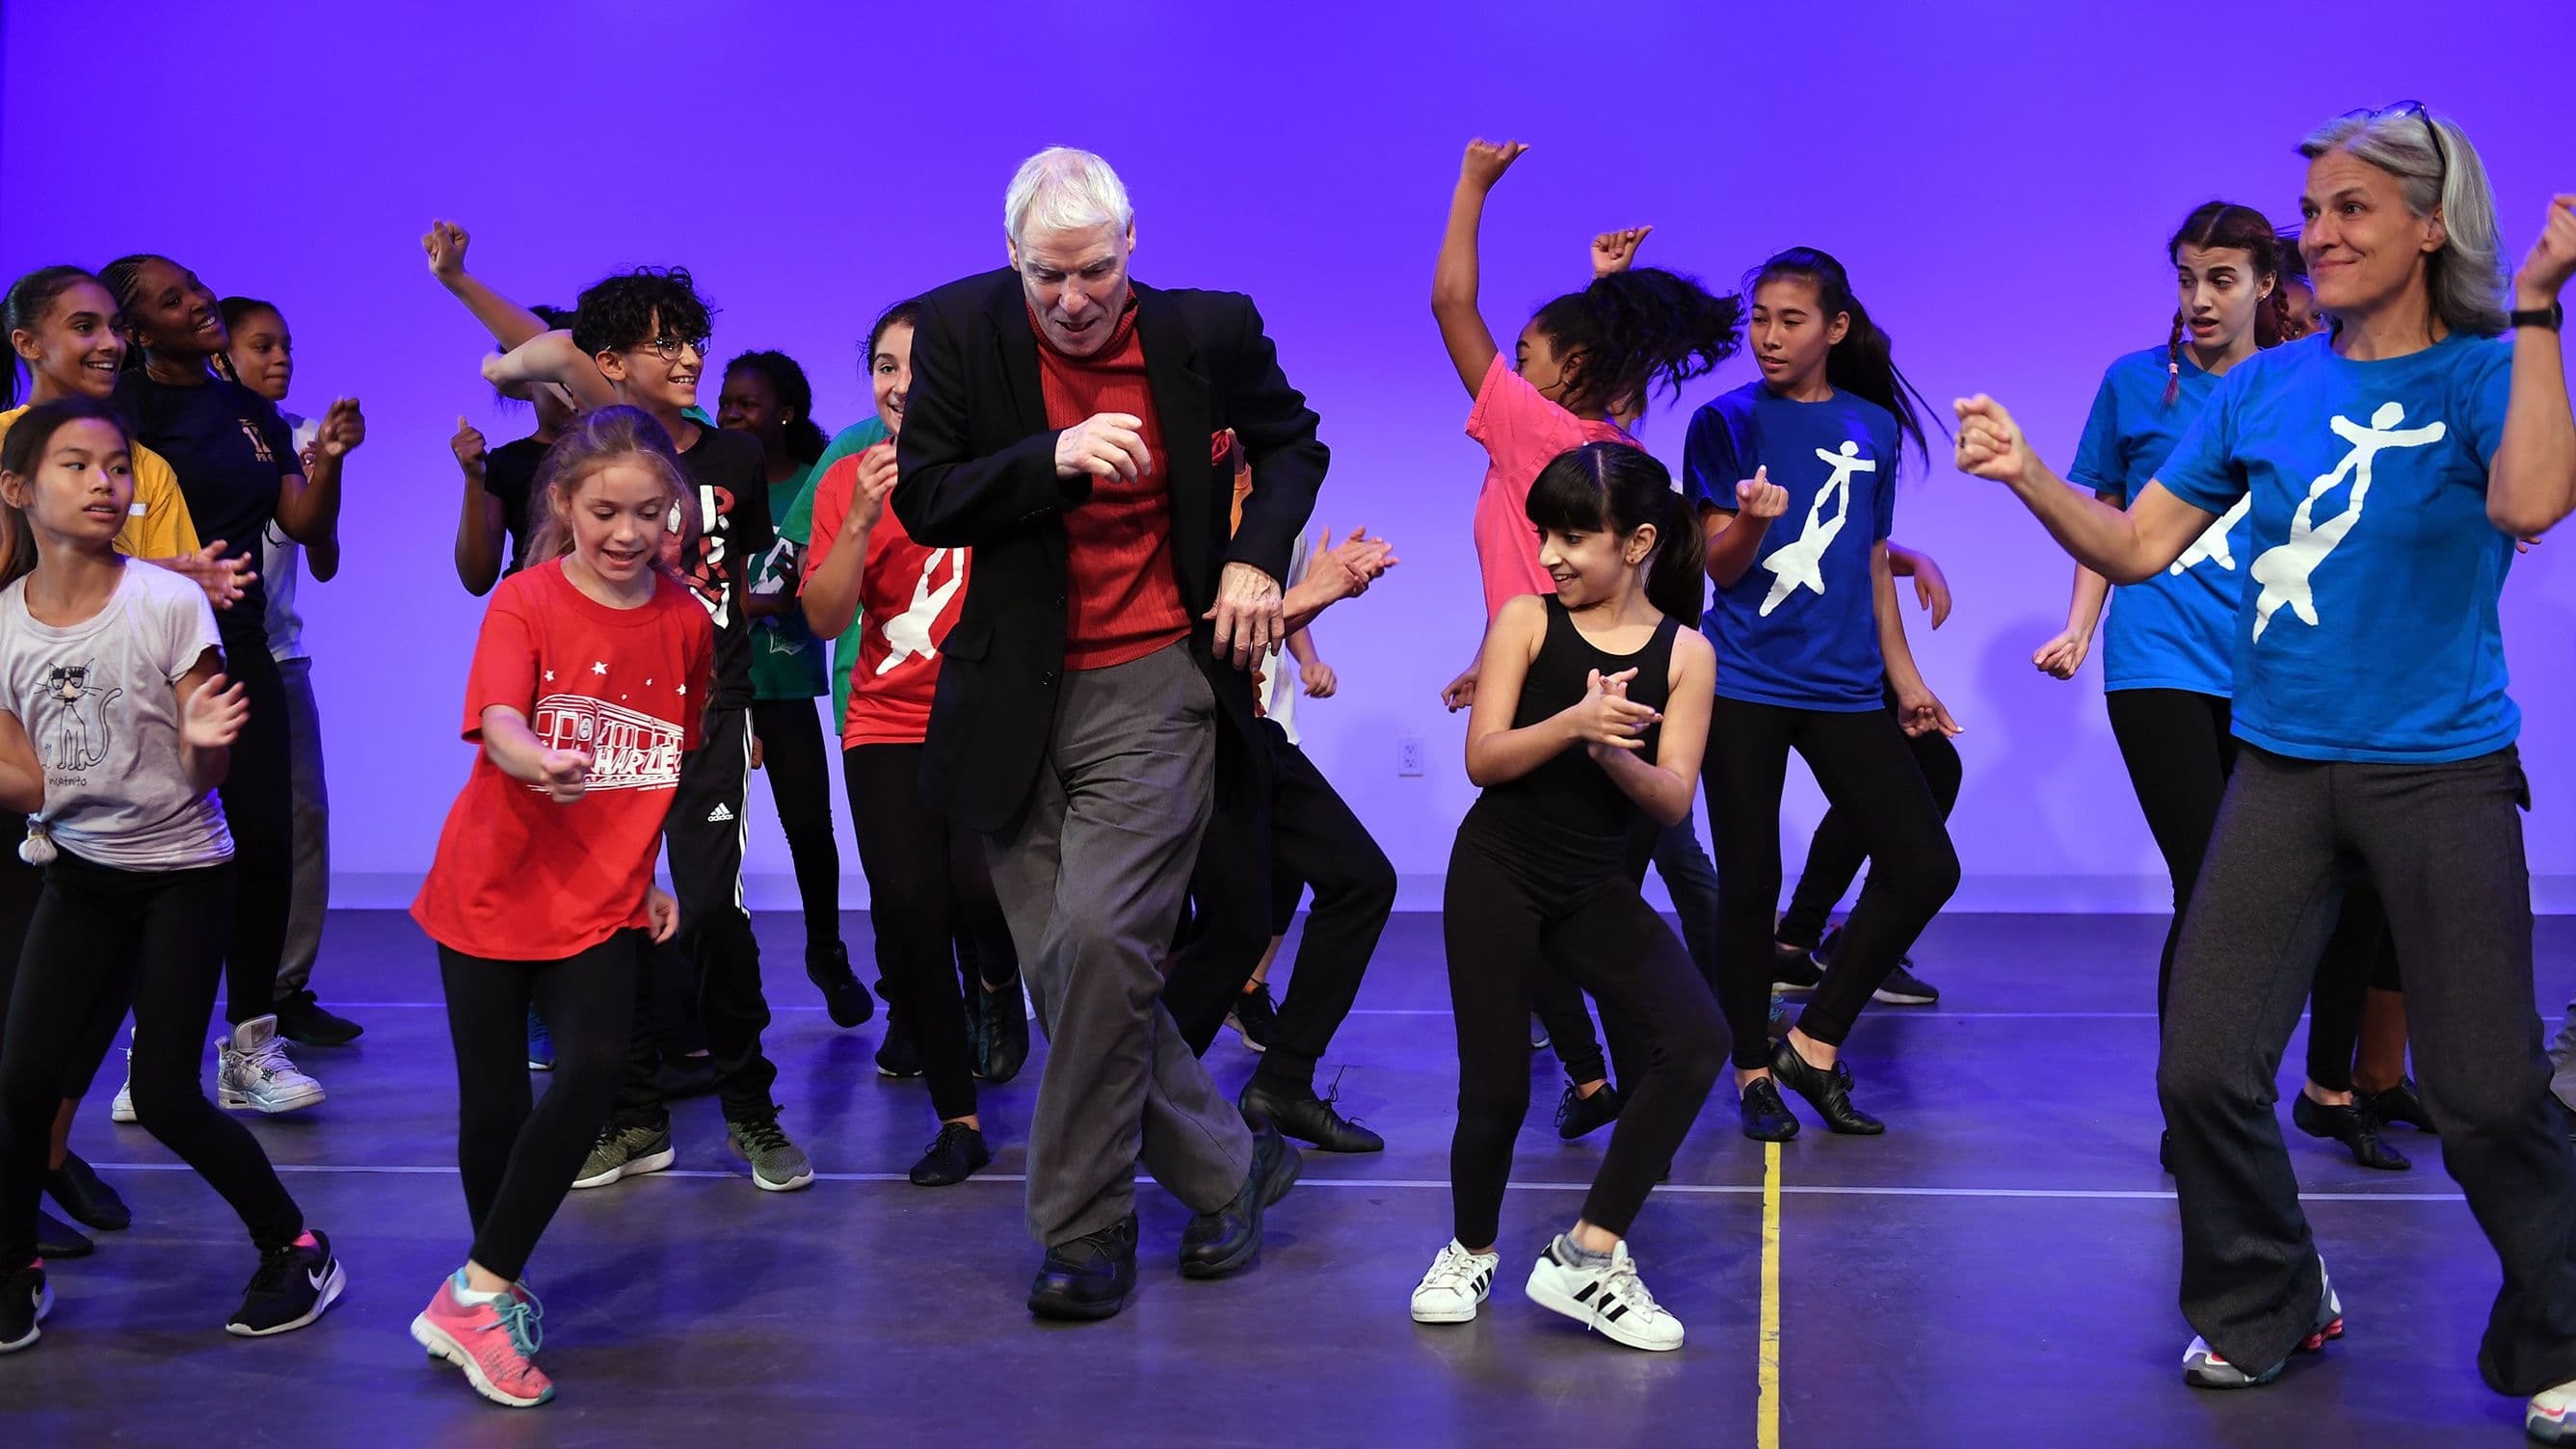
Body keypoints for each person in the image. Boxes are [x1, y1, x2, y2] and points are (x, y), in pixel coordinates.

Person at [1953, 104, 2576, 1436]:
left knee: (2485, 1092)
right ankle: (2268, 1300)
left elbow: (2527, 504)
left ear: (2428, 225)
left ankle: (2561, 1330)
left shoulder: (2482, 369)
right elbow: (2131, 550)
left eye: (2354, 208)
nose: (2322, 233)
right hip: (2283, 771)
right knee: (2203, 1071)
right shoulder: (2263, 388)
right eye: (2315, 210)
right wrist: (2020, 477)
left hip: (2440, 772)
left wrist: (2536, 315)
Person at [891, 146, 1321, 1321]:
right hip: (1013, 696)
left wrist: (1253, 557)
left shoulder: (1207, 333)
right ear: (1013, 261)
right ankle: (1231, 1169)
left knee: (1103, 939)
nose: (1072, 300)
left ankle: (1084, 1228)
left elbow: (1295, 446)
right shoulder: (959, 330)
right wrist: (1053, 461)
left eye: (1093, 272)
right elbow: (925, 495)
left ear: (1134, 249)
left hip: (1158, 682)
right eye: (1047, 278)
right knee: (1071, 972)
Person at [2027, 202, 2413, 1172]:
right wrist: (2080, 625)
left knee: (2334, 879)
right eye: (2188, 278)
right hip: (2157, 656)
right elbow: (2106, 515)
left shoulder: (2304, 379)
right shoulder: (2134, 385)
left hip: (2273, 661)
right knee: (2209, 886)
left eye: (2223, 279)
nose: (2200, 298)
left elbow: (2358, 499)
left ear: (2266, 287)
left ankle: (2329, 1087)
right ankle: (2191, 1106)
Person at [0, 398, 344, 1355]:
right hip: (80, 872)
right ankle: (13, 1265)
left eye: (117, 467)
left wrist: (201, 744)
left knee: (164, 1093)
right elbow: (28, 775)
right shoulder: (4, 625)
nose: (105, 483)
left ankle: (298, 1246)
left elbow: (207, 773)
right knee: (22, 1083)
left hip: (184, 873)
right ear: (18, 489)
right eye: (77, 466)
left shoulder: (166, 599)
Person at [1430, 139, 1741, 1140]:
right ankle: (1642, 1060)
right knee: (1612, 886)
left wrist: (1473, 188)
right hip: (1574, 681)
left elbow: (1451, 306)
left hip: (1564, 694)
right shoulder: (1613, 450)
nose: (1507, 372)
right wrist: (1601, 293)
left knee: (1572, 895)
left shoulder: (1534, 431)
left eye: (1527, 359)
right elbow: (1534, 556)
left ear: (1564, 371)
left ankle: (1670, 1051)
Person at [490, 265, 814, 1194]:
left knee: (712, 911)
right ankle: (633, 1117)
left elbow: (741, 590)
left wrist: (747, 692)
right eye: (663, 342)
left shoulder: (738, 458)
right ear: (610, 365)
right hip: (611, 716)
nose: (689, 356)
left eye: (691, 338)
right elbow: (541, 354)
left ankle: (751, 1112)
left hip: (709, 711)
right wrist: (478, 315)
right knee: (610, 913)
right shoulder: (597, 458)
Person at [407, 406, 705, 1409]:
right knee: (493, 1105)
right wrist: (534, 755)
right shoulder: (527, 602)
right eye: (607, 511)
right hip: (492, 884)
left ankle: (475, 1291)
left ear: (677, 511)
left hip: (606, 890)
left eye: (650, 514)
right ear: (565, 505)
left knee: (591, 1072)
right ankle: (499, 1292)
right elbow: (497, 720)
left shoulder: (688, 622)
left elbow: (658, 756)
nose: (629, 534)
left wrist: (653, 868)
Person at [1410, 441, 1723, 1351]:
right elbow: (1484, 759)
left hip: (1592, 886)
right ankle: (1469, 1250)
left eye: (1573, 537)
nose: (1549, 553)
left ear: (1637, 545)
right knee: (1497, 1086)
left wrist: (1610, 750)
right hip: (1497, 872)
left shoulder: (1685, 653)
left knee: (1695, 1039)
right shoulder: (1525, 622)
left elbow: (1672, 797)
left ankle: (1590, 1255)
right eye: (1544, 533)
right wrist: (1573, 722)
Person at [1686, 246, 1961, 1143]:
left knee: (1925, 863)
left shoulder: (1869, 425)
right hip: (1745, 682)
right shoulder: (1723, 422)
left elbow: (1872, 563)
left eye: (1789, 319)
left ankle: (1813, 1042)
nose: (1768, 336)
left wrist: (1906, 679)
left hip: (1844, 688)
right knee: (1748, 881)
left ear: (1834, 328)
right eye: (1759, 318)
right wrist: (1751, 524)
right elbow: (1716, 570)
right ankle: (1752, 1068)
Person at [2, 264, 234, 1259]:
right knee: (21, 1003)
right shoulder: (5, 460)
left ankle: (45, 1163)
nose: (108, 344)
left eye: (113, 329)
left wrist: (176, 577)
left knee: (85, 1002)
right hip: (20, 749)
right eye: (82, 326)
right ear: (28, 344)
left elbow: (173, 586)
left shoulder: (141, 464)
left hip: (105, 772)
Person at [101, 253, 359, 1118]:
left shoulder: (246, 407)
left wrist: (328, 460)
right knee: (154, 853)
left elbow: (298, 521)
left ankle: (252, 1046)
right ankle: (152, 1056)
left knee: (261, 844)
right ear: (137, 333)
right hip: (143, 654)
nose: (199, 302)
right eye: (173, 300)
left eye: (196, 288)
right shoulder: (120, 413)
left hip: (237, 648)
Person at [795, 300, 1016, 1185]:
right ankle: (958, 1119)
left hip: (983, 715)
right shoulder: (850, 476)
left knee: (978, 886)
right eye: (884, 366)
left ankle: (998, 982)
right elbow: (823, 616)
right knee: (909, 908)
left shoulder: (996, 468)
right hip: (884, 720)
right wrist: (857, 519)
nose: (899, 383)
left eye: (918, 365)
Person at [1160, 437, 1402, 1153]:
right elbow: (1194, 635)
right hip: (1189, 732)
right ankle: (1135, 1098)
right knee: (1234, 927)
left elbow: (1254, 632)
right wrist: (1315, 591)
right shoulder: (1178, 492)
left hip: (1252, 727)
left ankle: (1283, 1084)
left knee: (1359, 879)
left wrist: (1321, 591)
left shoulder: (1268, 507)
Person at [222, 298, 361, 1050]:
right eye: (261, 346)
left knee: (301, 825)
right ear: (223, 356)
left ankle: (284, 991)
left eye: (287, 347)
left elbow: (325, 557)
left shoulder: (299, 436)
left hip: (276, 657)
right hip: (192, 658)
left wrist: (327, 470)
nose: (281, 359)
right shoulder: (198, 437)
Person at [718, 350, 859, 1021]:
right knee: (717, 833)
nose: (730, 415)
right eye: (726, 403)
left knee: (809, 828)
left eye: (746, 404)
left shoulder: (815, 480)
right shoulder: (712, 481)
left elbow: (797, 588)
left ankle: (826, 950)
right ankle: (717, 971)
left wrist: (763, 593)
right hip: (721, 690)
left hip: (787, 685)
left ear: (786, 413)